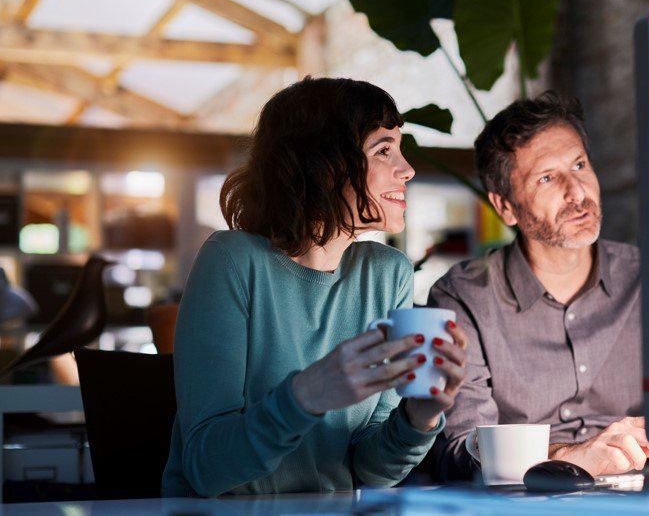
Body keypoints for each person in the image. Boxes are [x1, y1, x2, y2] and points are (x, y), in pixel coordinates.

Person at [162, 77, 468, 497]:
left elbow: (372, 470)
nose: (408, 169)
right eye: (383, 150)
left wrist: (420, 418)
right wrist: (306, 395)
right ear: (325, 164)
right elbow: (205, 467)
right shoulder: (233, 260)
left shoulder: (387, 273)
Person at [428, 92, 649, 481]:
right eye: (547, 177)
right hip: (528, 505)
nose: (577, 192)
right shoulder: (463, 298)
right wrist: (573, 458)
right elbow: (459, 451)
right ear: (505, 206)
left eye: (579, 165)